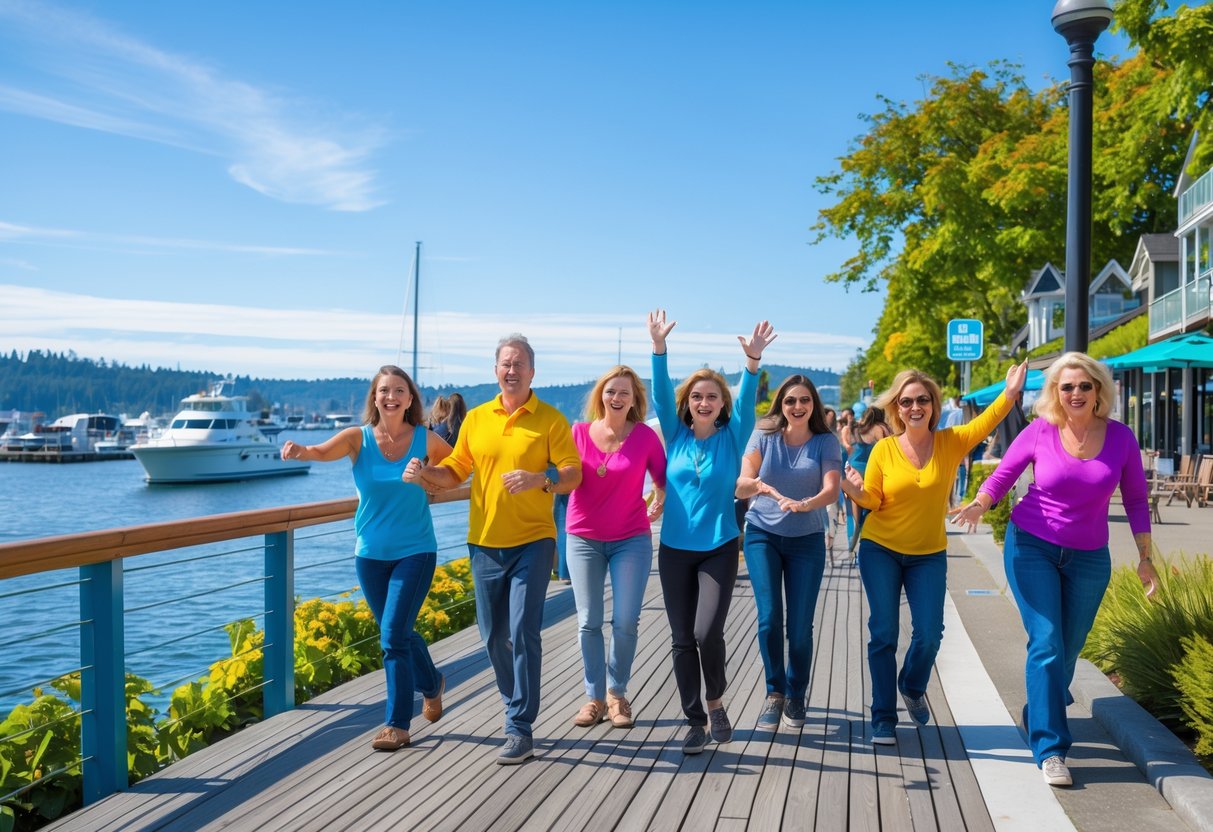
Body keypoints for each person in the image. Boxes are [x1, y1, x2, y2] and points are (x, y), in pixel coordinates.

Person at [950, 353, 1158, 787]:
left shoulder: (1120, 438)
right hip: (1032, 547)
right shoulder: (1040, 430)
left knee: (1067, 648)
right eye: (1067, 387)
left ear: (1099, 389)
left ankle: (1039, 710)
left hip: (1089, 557)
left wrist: (1145, 557)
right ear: (1055, 393)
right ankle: (1050, 749)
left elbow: (1136, 500)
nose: (1076, 393)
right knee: (1046, 642)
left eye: (1084, 386)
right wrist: (979, 503)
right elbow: (1003, 475)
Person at [409, 334, 581, 764]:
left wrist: (541, 478)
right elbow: (455, 473)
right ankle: (513, 703)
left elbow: (573, 473)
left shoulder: (551, 420)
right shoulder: (478, 419)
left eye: (519, 363)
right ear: (496, 369)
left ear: (532, 372)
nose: (511, 370)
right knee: (492, 636)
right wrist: (426, 473)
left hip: (534, 540)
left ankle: (519, 725)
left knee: (523, 630)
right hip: (484, 541)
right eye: (505, 363)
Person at [840, 361, 1027, 746]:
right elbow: (873, 500)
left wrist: (1010, 393)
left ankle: (911, 684)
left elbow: (989, 421)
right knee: (884, 632)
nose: (914, 407)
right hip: (881, 549)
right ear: (897, 408)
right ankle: (883, 717)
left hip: (928, 553)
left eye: (922, 399)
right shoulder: (883, 450)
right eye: (906, 401)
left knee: (929, 634)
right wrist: (853, 488)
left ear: (933, 405)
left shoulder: (950, 441)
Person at [280, 365, 450, 752]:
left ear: (410, 399)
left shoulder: (426, 439)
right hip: (370, 555)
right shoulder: (358, 438)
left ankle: (396, 724)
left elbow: (456, 472)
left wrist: (425, 473)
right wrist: (299, 450)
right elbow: (320, 451)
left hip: (416, 550)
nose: (391, 397)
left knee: (392, 636)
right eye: (384, 390)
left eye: (399, 391)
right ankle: (432, 683)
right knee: (399, 634)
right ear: (374, 397)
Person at [648, 309, 777, 754]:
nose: (704, 403)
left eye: (712, 397)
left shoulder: (733, 435)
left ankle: (716, 700)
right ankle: (695, 721)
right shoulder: (674, 434)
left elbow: (747, 404)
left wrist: (752, 362)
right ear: (689, 402)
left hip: (719, 547)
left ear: (722, 404)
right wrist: (659, 349)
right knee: (681, 639)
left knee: (707, 633)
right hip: (673, 551)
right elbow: (660, 393)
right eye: (697, 396)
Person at [734, 374, 841, 731]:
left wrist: (807, 503)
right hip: (762, 534)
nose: (797, 407)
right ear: (781, 404)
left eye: (804, 401)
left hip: (807, 540)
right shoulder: (763, 435)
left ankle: (796, 692)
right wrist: (763, 487)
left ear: (813, 405)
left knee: (799, 626)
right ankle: (774, 693)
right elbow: (742, 481)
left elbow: (831, 488)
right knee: (769, 619)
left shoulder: (826, 441)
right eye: (790, 401)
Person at [566, 365, 667, 729]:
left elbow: (662, 478)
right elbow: (560, 474)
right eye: (611, 391)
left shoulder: (644, 437)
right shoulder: (576, 433)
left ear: (634, 398)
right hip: (583, 538)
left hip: (631, 538)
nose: (617, 397)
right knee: (588, 621)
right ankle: (593, 697)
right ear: (601, 396)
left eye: (625, 392)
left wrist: (658, 499)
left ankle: (616, 693)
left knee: (625, 619)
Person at [844, 405, 892, 551]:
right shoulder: (881, 428)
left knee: (852, 509)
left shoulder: (855, 428)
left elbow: (847, 446)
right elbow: (889, 449)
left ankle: (852, 541)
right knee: (870, 507)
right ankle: (866, 539)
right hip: (871, 469)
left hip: (852, 469)